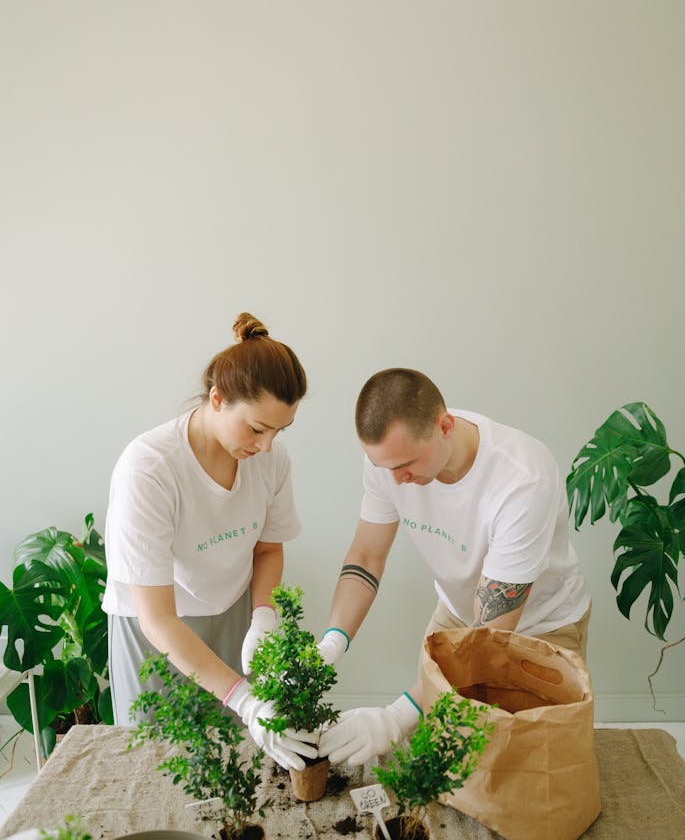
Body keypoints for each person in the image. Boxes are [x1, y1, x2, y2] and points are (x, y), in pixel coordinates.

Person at [316, 368, 591, 767]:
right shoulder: (388, 462)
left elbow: (488, 637)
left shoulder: (522, 480)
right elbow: (366, 557)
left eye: (406, 464)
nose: (397, 479)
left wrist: (396, 717)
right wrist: (332, 643)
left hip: (541, 628)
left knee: (527, 768)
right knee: (441, 761)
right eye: (385, 467)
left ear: (444, 426)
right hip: (456, 613)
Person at [103, 312, 316, 770]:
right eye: (258, 428)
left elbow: (268, 548)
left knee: (233, 767)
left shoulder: (270, 459)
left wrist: (263, 614)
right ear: (217, 399)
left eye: (280, 430)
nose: (267, 445)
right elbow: (157, 618)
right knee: (158, 766)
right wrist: (241, 696)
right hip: (157, 633)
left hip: (233, 617)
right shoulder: (150, 468)